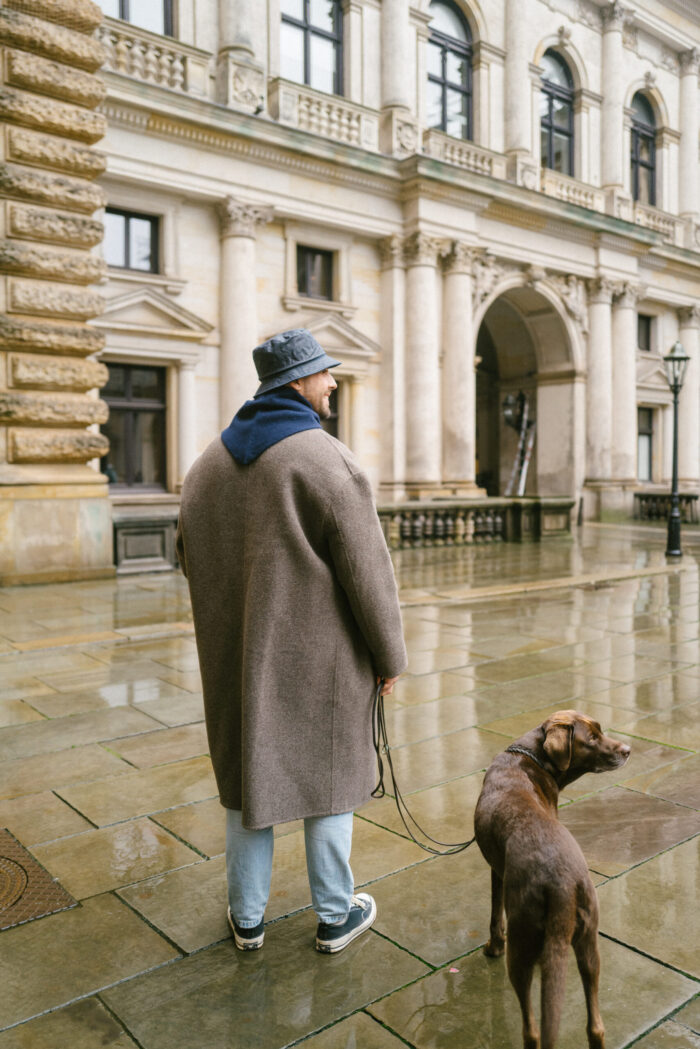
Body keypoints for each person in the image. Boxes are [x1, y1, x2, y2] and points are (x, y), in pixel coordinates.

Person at [175, 328, 407, 954]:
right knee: (327, 778)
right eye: (325, 373)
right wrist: (389, 658)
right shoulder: (324, 458)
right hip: (321, 661)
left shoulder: (206, 465)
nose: (333, 382)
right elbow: (369, 575)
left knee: (250, 782)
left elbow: (186, 557)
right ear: (298, 383)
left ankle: (246, 919)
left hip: (235, 663)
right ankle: (335, 916)